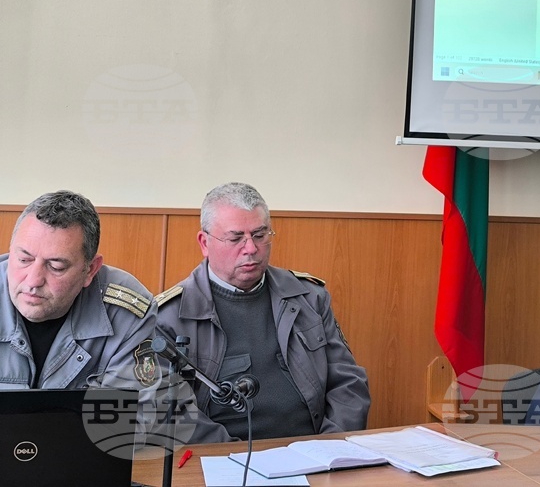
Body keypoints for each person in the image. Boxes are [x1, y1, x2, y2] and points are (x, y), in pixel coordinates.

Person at [155, 182, 370, 443]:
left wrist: (329, 447)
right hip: (223, 458)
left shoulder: (309, 297)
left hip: (311, 450)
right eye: (235, 238)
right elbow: (170, 411)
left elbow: (348, 384)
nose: (251, 249)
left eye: (259, 235)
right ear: (204, 243)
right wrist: (234, 457)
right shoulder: (169, 317)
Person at [0, 190, 158, 390]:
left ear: (90, 270)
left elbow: (121, 408)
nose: (33, 280)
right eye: (24, 259)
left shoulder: (125, 314)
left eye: (56, 267)